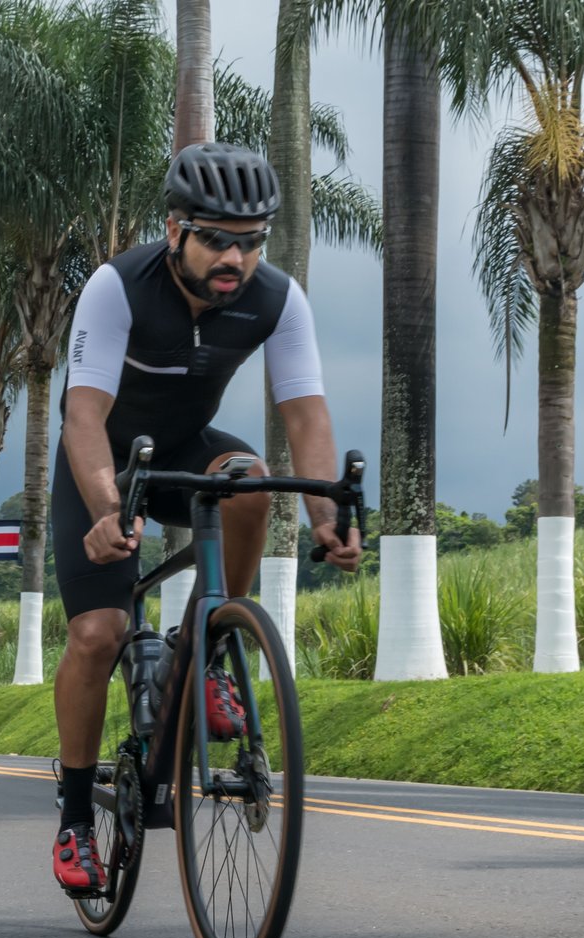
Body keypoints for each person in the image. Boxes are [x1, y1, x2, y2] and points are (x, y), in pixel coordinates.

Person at [49, 142, 362, 894]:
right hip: (104, 461)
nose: (237, 257)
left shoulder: (278, 299)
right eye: (218, 238)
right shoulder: (117, 287)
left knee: (251, 478)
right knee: (100, 632)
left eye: (252, 240)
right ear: (174, 230)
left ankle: (211, 646)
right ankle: (72, 819)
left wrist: (326, 513)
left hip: (184, 450)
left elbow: (305, 413)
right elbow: (84, 416)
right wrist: (103, 509)